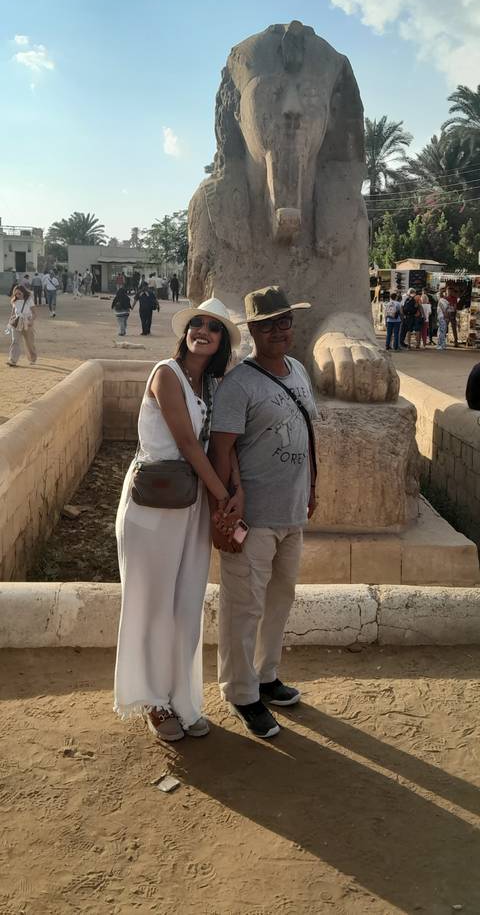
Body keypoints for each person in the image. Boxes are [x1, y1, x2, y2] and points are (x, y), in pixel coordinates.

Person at [114, 298, 243, 741]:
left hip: (189, 506)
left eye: (213, 327)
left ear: (221, 341)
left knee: (186, 604)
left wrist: (234, 490)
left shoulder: (208, 384)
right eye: (197, 323)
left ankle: (181, 698)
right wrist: (224, 495)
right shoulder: (166, 375)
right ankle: (153, 700)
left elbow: (216, 445)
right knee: (151, 606)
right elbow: (188, 444)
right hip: (154, 504)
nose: (202, 330)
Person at [209, 285, 318, 740]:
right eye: (268, 324)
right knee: (243, 606)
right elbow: (221, 450)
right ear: (252, 330)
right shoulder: (239, 384)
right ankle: (240, 691)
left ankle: (266, 675)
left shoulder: (298, 371)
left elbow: (309, 433)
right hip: (253, 518)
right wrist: (226, 508)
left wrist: (314, 484)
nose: (279, 330)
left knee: (279, 599)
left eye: (285, 321)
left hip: (292, 511)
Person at [6, 285, 37, 367]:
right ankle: (13, 360)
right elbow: (13, 313)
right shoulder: (14, 301)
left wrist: (31, 321)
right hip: (16, 323)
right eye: (16, 294)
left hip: (27, 323)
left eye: (19, 293)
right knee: (15, 341)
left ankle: (32, 359)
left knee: (29, 342)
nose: (17, 295)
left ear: (23, 292)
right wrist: (10, 322)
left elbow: (34, 313)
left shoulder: (29, 300)